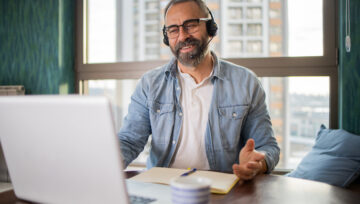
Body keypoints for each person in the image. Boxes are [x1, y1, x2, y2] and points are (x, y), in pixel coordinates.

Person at [118, 0, 280, 181]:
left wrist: (257, 163)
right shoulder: (149, 84)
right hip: (162, 188)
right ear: (166, 37)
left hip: (223, 191)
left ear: (210, 28)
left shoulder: (246, 82)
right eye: (173, 30)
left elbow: (268, 147)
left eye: (191, 25)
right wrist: (104, 162)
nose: (182, 36)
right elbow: (129, 140)